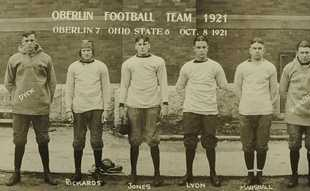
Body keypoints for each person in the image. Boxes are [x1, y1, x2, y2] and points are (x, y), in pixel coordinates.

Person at [4, 31, 57, 186]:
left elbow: (52, 83)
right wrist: (17, 96)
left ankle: (47, 173)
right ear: (22, 42)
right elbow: (9, 82)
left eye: (32, 40)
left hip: (40, 108)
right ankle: (16, 173)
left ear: (36, 42)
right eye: (26, 40)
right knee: (19, 141)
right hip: (20, 108)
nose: (29, 43)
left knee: (43, 141)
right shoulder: (14, 59)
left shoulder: (46, 58)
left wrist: (47, 100)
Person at [176, 35, 228, 187]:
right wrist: (187, 101)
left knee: (210, 142)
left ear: (208, 48)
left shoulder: (215, 66)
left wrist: (214, 98)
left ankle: (213, 173)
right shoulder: (187, 67)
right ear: (194, 49)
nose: (201, 50)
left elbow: (223, 86)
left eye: (204, 47)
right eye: (198, 47)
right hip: (191, 110)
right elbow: (179, 87)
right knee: (189, 142)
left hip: (209, 111)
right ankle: (189, 174)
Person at [119, 35, 169, 187]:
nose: (142, 47)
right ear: (135, 46)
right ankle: (133, 174)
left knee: (153, 140)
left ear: (149, 46)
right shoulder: (128, 63)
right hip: (134, 105)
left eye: (145, 44)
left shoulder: (158, 62)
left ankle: (157, 174)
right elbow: (124, 85)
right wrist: (121, 105)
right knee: (134, 140)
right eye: (139, 44)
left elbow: (164, 83)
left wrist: (165, 102)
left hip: (153, 105)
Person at [280, 40, 310, 188]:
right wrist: (292, 106)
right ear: (297, 53)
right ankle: (294, 176)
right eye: (302, 52)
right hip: (294, 115)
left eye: (307, 52)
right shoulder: (289, 67)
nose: (305, 55)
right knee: (294, 146)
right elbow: (283, 90)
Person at [65, 40, 111, 185]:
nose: (86, 52)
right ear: (80, 52)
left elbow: (106, 88)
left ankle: (97, 171)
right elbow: (69, 89)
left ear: (93, 51)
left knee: (96, 141)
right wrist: (68, 109)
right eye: (84, 50)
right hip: (78, 109)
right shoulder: (73, 67)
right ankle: (77, 172)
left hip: (96, 108)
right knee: (78, 141)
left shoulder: (101, 66)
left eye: (89, 50)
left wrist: (106, 109)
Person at [234, 37, 279, 185]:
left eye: (260, 48)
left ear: (264, 50)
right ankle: (249, 175)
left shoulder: (270, 67)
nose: (257, 51)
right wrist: (245, 102)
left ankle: (259, 174)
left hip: (264, 113)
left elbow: (274, 91)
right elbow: (237, 88)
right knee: (247, 145)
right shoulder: (242, 67)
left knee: (261, 145)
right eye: (254, 48)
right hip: (246, 112)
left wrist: (267, 105)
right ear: (250, 50)